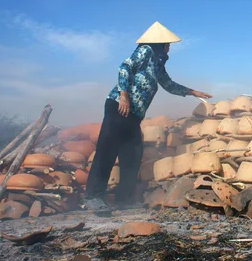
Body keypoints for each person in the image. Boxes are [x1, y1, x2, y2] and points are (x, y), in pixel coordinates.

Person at [85, 21, 212, 211]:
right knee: (107, 150)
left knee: (132, 155)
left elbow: (168, 84)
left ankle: (124, 200)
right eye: (167, 44)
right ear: (159, 43)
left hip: (134, 114)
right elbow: (124, 67)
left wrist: (193, 92)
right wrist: (124, 95)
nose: (169, 48)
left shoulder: (157, 63)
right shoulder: (145, 51)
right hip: (119, 107)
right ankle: (93, 197)